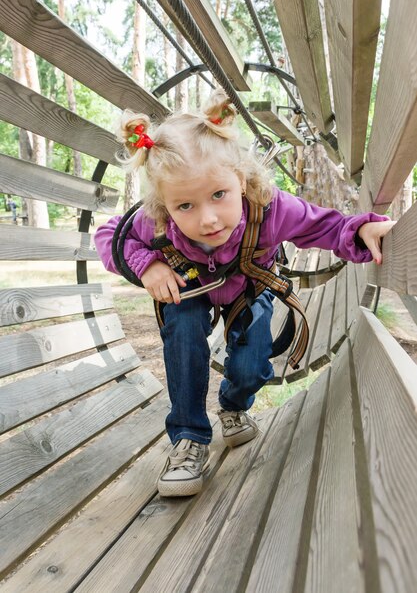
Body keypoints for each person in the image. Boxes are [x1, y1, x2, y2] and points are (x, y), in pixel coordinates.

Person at [95, 89, 394, 498]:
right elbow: (109, 236)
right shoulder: (156, 221)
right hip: (190, 289)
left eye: (219, 195)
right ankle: (189, 438)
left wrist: (360, 229)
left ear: (240, 178)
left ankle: (233, 407)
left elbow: (322, 226)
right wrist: (149, 265)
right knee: (183, 332)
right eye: (185, 206)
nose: (208, 218)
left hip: (249, 288)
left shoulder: (269, 208)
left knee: (253, 365)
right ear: (164, 203)